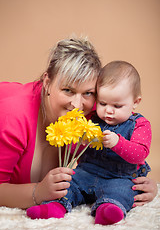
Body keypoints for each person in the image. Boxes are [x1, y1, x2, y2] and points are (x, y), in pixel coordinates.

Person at [0, 37, 157, 211]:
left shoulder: (93, 111)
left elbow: (128, 141)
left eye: (88, 93)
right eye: (68, 90)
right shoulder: (13, 117)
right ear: (47, 82)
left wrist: (139, 183)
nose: (77, 104)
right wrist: (37, 192)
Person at [26, 60, 154, 225]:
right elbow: (72, 149)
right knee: (67, 186)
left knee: (123, 192)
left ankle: (108, 210)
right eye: (102, 103)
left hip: (118, 177)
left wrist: (118, 143)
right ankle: (54, 207)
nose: (108, 110)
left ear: (135, 102)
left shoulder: (139, 124)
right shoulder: (91, 118)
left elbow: (139, 154)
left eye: (117, 105)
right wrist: (79, 141)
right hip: (85, 173)